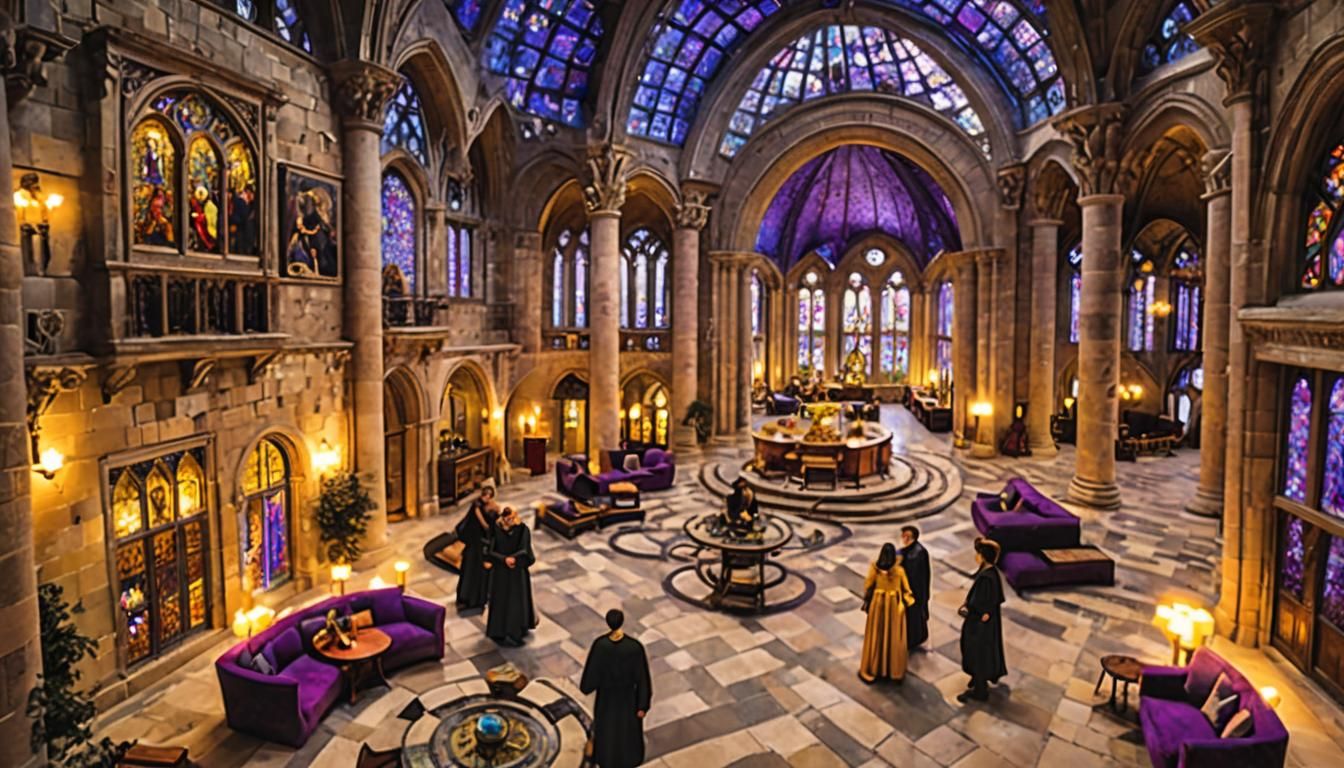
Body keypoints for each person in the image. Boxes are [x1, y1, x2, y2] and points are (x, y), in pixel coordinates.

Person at [580, 609, 652, 768]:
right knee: (627, 730)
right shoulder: (634, 647)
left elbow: (589, 679)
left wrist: (588, 685)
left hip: (606, 699)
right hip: (628, 698)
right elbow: (643, 678)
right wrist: (642, 705)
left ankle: (608, 759)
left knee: (608, 731)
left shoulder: (600, 645)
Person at [957, 538, 1007, 703]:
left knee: (977, 653)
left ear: (983, 556)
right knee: (979, 652)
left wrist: (968, 607)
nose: (976, 556)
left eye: (978, 553)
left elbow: (979, 603)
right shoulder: (991, 572)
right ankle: (977, 678)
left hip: (979, 625)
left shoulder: (987, 577)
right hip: (987, 622)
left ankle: (980, 689)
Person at [859, 543, 916, 684]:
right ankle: (893, 671)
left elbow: (867, 585)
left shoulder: (874, 568)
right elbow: (907, 591)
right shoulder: (900, 571)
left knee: (876, 637)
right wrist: (908, 603)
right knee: (894, 638)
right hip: (895, 607)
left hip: (878, 606)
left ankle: (875, 668)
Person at [485, 507, 537, 646]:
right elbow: (490, 551)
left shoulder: (522, 529)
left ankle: (516, 631)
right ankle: (499, 631)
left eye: (512, 518)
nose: (510, 521)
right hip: (501, 573)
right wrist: (504, 560)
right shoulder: (495, 529)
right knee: (501, 602)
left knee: (516, 603)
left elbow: (525, 549)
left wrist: (514, 559)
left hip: (517, 572)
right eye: (507, 519)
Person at [455, 484, 500, 610]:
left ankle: (480, 599)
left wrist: (495, 511)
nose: (486, 498)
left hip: (483, 546)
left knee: (482, 575)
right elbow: (481, 524)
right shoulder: (476, 507)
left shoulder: (492, 509)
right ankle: (466, 599)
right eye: (484, 495)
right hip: (474, 545)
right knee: (470, 573)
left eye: (488, 496)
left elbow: (492, 527)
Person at [900, 526, 931, 649]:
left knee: (915, 617)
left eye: (907, 536)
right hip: (913, 590)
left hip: (915, 591)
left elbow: (917, 575)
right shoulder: (908, 550)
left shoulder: (918, 553)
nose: (904, 538)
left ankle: (914, 639)